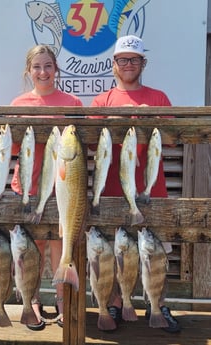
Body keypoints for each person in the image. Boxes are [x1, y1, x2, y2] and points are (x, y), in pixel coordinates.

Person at [90, 35, 180, 333]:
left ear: (143, 63)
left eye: (134, 59)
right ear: (113, 64)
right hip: (112, 192)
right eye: (123, 59)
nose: (128, 65)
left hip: (153, 192)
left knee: (156, 257)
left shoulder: (159, 98)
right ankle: (116, 303)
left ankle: (157, 304)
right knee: (114, 256)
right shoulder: (101, 101)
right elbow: (92, 144)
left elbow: (171, 138)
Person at [10, 44, 83, 330]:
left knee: (59, 244)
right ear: (29, 71)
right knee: (34, 247)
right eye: (37, 67)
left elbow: (81, 146)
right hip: (27, 188)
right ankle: (34, 300)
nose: (43, 72)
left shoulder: (73, 103)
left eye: (48, 66)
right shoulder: (18, 104)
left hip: (63, 188)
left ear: (56, 69)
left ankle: (62, 301)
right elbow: (14, 146)